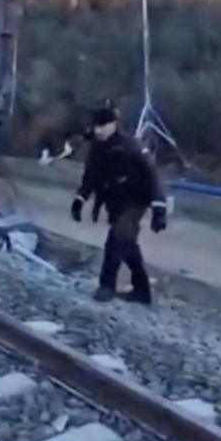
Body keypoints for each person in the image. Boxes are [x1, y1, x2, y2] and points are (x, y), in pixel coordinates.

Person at [70, 102, 168, 304]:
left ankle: (106, 286)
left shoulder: (131, 146)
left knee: (117, 237)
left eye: (103, 125)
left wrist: (160, 209)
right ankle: (142, 291)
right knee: (127, 244)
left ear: (113, 125)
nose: (99, 130)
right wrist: (80, 200)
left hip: (136, 200)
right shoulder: (97, 150)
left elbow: (153, 175)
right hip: (115, 202)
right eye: (96, 125)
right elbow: (90, 178)